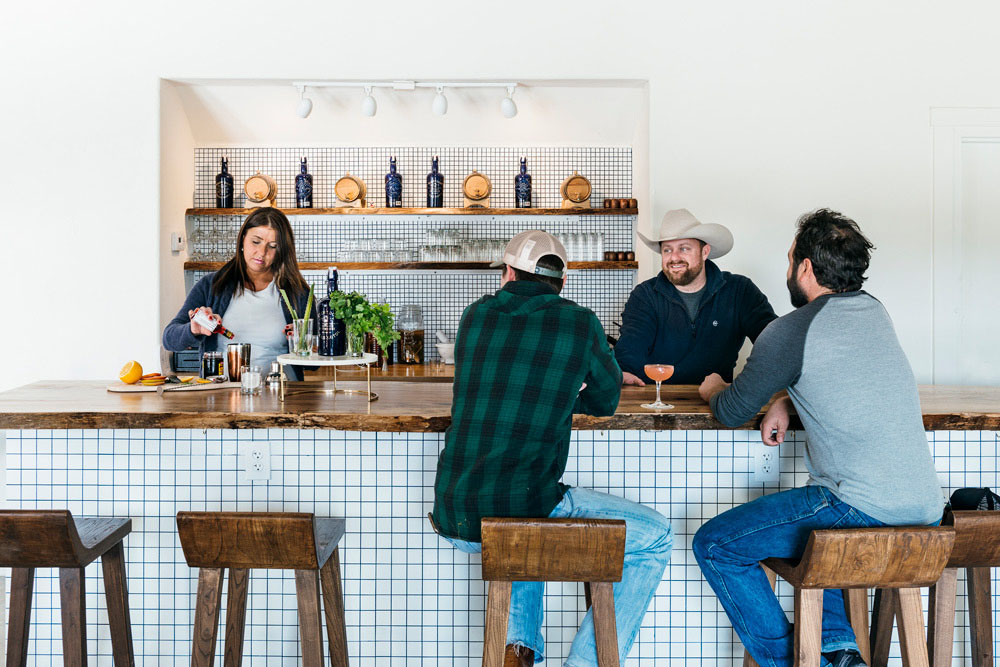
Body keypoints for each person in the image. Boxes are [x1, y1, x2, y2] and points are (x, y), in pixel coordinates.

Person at [693, 209, 944, 667]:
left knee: (715, 544)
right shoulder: (875, 311)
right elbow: (845, 374)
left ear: (805, 267)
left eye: (790, 259)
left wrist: (711, 388)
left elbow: (731, 411)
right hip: (927, 512)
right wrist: (787, 400)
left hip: (858, 509)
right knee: (816, 528)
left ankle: (793, 661)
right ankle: (835, 648)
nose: (788, 268)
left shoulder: (790, 331)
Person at [431, 230, 673, 667]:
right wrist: (565, 393)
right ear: (563, 283)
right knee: (655, 537)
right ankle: (583, 663)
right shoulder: (579, 322)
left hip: (455, 513)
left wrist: (553, 394)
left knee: (524, 523)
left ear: (508, 272)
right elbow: (604, 402)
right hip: (523, 507)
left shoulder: (475, 315)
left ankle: (517, 652)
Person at [615, 209, 776, 386]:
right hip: (656, 400)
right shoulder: (645, 295)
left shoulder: (740, 291)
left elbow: (775, 344)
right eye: (667, 250)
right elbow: (628, 354)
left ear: (705, 252)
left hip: (718, 401)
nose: (674, 258)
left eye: (684, 248)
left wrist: (747, 387)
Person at [163, 208, 315, 380]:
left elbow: (315, 362)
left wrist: (304, 342)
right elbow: (169, 339)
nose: (262, 252)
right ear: (242, 239)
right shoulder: (211, 286)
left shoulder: (297, 292)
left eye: (272, 246)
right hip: (221, 396)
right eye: (255, 242)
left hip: (280, 396)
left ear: (282, 251)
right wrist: (193, 329)